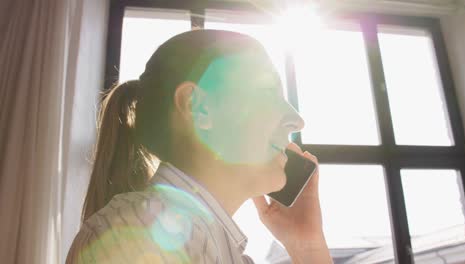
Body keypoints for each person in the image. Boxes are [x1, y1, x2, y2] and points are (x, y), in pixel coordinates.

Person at [66, 29, 332, 264]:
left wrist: (307, 246)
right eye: (268, 91)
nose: (297, 121)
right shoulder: (135, 232)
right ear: (199, 107)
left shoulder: (224, 252)